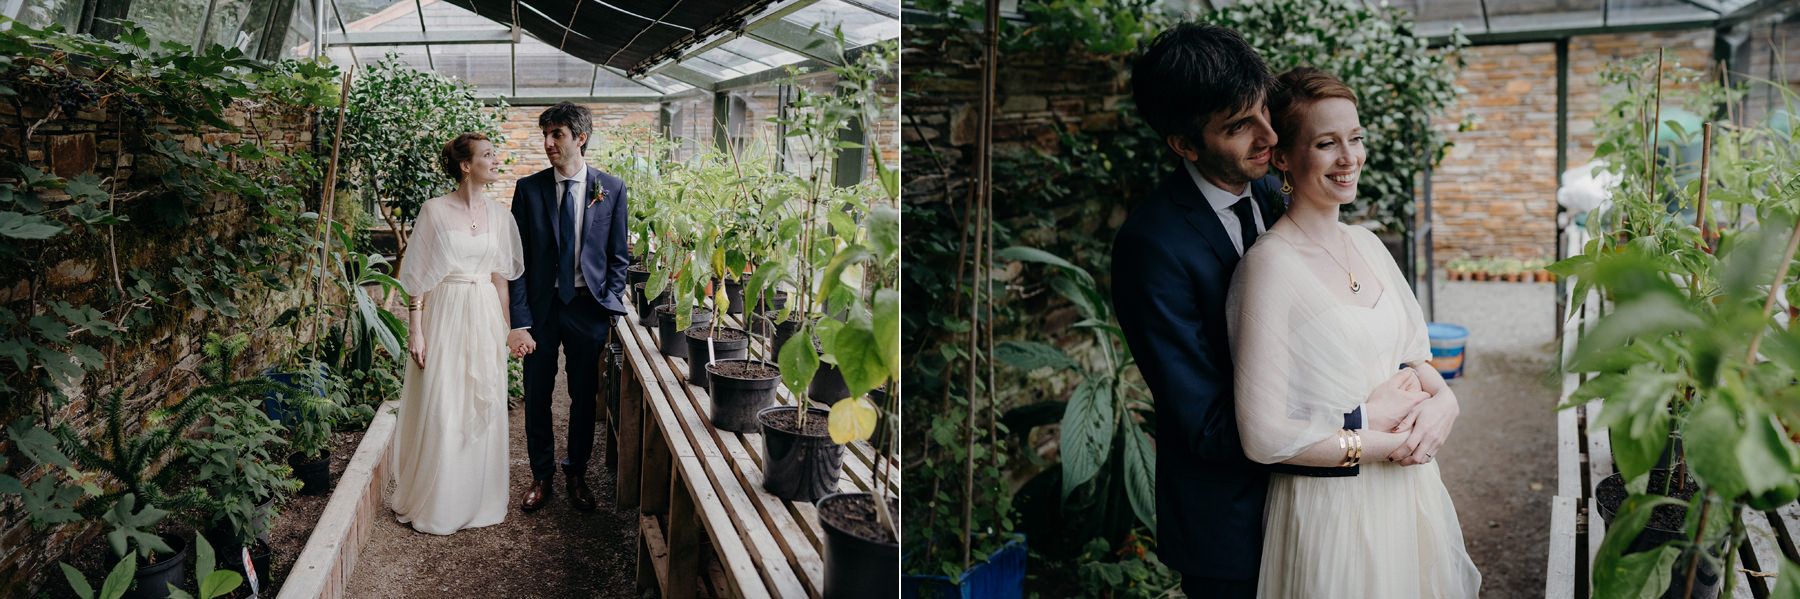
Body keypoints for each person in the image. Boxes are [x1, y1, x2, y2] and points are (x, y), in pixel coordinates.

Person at [1110, 24, 1451, 599]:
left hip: (1338, 502)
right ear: (1185, 145)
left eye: (1262, 111)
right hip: (1233, 521)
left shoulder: (1276, 194)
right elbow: (1207, 422)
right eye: (1239, 126)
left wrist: (1440, 399)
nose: (1268, 135)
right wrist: (1362, 423)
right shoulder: (1153, 246)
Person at [1227, 66, 1480, 598]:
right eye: (1326, 143)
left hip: (1410, 494)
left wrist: (1446, 404)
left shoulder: (1366, 244)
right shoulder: (1268, 267)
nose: (1349, 158)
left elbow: (1415, 357)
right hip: (1332, 509)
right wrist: (1387, 443)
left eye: (1356, 137)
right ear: (1282, 158)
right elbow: (1264, 436)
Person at [390, 132, 524, 534]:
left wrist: (509, 329)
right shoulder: (433, 211)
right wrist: (415, 329)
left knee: (480, 403)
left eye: (495, 155)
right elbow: (415, 277)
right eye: (487, 155)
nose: (495, 161)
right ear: (466, 166)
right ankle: (439, 500)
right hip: (444, 312)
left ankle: (479, 498)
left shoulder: (501, 215)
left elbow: (502, 280)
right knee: (444, 401)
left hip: (483, 312)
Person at [505, 102, 631, 513]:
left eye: (556, 134)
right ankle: (541, 478)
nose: (547, 143)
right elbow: (516, 264)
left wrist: (608, 308)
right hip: (541, 312)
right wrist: (520, 320)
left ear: (580, 138)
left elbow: (618, 257)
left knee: (584, 396)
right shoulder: (529, 189)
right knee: (537, 395)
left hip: (587, 310)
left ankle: (576, 473)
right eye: (545, 134)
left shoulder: (610, 188)